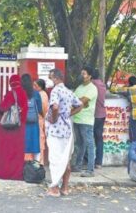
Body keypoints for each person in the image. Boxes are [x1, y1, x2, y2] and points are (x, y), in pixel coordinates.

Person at [45, 69, 82, 197]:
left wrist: (54, 119)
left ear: (55, 78)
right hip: (67, 129)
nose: (50, 81)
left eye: (51, 78)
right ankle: (65, 188)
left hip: (56, 130)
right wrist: (68, 115)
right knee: (66, 159)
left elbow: (55, 107)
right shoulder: (69, 92)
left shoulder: (56, 91)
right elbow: (80, 105)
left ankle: (54, 188)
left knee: (55, 159)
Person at [0, 75, 28, 180]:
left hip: (8, 129)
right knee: (17, 152)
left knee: (6, 151)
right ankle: (17, 173)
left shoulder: (10, 94)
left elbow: (2, 107)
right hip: (20, 126)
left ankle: (4, 173)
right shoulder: (24, 94)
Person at [72, 66, 98, 177]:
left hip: (86, 120)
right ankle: (78, 166)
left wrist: (79, 102)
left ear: (90, 76)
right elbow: (74, 100)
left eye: (84, 74)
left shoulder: (92, 88)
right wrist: (79, 102)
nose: (82, 75)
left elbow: (81, 101)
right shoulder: (79, 87)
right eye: (81, 73)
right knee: (79, 144)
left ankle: (90, 170)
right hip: (77, 118)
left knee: (89, 144)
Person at [111, 76, 136, 142]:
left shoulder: (128, 89)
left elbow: (113, 89)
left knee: (134, 137)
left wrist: (125, 86)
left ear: (129, 83)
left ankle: (133, 151)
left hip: (135, 116)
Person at [22, 74, 43, 161]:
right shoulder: (36, 93)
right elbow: (40, 109)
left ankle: (21, 165)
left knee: (22, 144)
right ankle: (36, 164)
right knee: (35, 144)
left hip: (22, 123)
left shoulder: (20, 93)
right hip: (34, 122)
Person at [91, 69, 106, 169]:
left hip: (93, 115)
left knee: (88, 138)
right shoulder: (102, 84)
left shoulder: (91, 85)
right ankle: (99, 162)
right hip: (102, 114)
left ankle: (89, 161)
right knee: (99, 138)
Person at [33, 79, 49, 165]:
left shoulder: (42, 95)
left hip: (40, 119)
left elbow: (44, 110)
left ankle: (40, 161)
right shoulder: (38, 94)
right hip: (38, 119)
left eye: (35, 86)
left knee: (40, 141)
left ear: (40, 87)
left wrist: (41, 116)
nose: (34, 87)